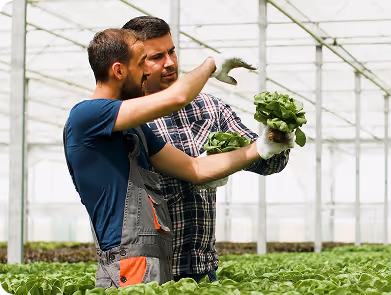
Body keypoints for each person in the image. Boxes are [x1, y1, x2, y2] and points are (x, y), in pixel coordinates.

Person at [64, 28, 293, 289]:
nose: (147, 72)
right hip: (128, 261)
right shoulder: (87, 115)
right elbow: (177, 97)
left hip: (153, 260)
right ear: (118, 71)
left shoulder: (136, 130)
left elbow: (195, 168)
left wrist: (260, 148)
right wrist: (211, 65)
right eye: (143, 64)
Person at [122, 16, 291, 283]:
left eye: (172, 52)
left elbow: (268, 162)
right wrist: (199, 171)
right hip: (146, 276)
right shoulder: (124, 115)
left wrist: (275, 139)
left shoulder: (210, 107)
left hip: (202, 269)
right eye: (156, 57)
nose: (169, 63)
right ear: (134, 62)